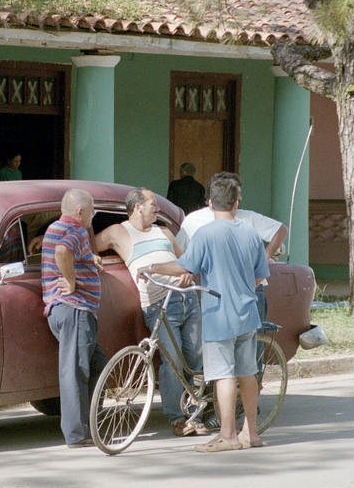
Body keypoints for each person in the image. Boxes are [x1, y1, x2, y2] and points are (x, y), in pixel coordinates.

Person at [139, 173, 269, 452]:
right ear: (236, 203)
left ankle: (228, 436)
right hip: (247, 313)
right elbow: (260, 276)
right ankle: (252, 433)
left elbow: (184, 267)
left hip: (218, 314)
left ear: (210, 204)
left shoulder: (206, 234)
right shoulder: (250, 232)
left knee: (223, 375)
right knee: (248, 374)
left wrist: (153, 268)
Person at [95, 188, 209, 437]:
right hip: (159, 304)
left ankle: (194, 415)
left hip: (187, 298)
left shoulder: (164, 231)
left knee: (195, 360)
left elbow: (185, 261)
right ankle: (177, 418)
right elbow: (89, 243)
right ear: (137, 207)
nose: (156, 209)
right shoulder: (118, 232)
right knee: (173, 362)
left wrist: (187, 273)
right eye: (152, 204)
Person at [176, 172, 288, 326]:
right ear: (212, 198)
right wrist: (185, 271)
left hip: (251, 288)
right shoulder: (194, 221)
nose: (239, 199)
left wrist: (264, 257)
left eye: (238, 194)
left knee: (254, 340)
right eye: (235, 194)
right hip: (215, 289)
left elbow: (280, 230)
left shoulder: (247, 218)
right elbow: (180, 252)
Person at [41, 188, 107, 448]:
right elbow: (62, 252)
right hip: (74, 308)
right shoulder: (77, 230)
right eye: (92, 210)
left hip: (67, 310)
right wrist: (70, 281)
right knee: (75, 370)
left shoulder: (56, 227)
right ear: (80, 211)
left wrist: (90, 258)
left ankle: (91, 424)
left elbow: (68, 250)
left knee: (98, 364)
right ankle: (77, 434)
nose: (93, 214)